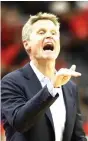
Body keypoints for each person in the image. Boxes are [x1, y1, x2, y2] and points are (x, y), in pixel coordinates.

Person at [1, 12, 87, 141]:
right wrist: (51, 88)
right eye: (41, 32)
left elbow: (77, 136)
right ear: (27, 44)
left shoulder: (69, 87)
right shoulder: (11, 82)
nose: (49, 36)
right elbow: (19, 123)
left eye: (53, 33)